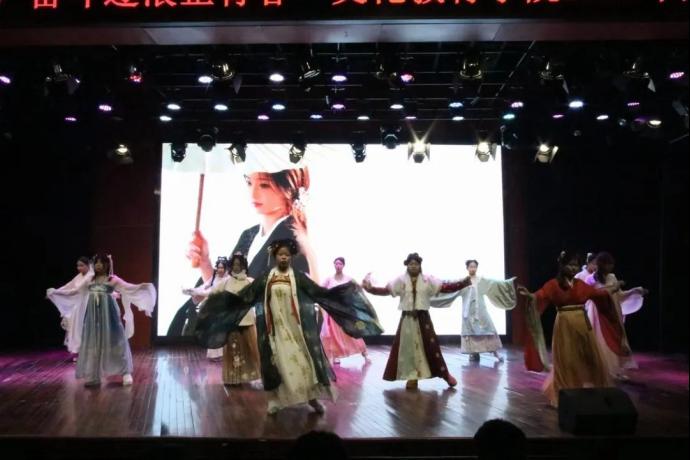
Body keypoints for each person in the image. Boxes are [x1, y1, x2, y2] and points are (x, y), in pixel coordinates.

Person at [195, 239, 382, 415]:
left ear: (291, 257)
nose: (283, 257)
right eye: (280, 254)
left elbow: (318, 293)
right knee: (277, 363)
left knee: (303, 362)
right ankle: (275, 400)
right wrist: (220, 303)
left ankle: (312, 398)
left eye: (286, 255)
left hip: (296, 329)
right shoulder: (267, 277)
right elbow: (247, 296)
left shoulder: (298, 277)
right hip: (274, 330)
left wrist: (345, 292)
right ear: (275, 257)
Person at [169, 148, 314, 336]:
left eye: (264, 185)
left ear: (288, 188)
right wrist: (205, 261)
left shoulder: (293, 241)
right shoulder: (250, 234)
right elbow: (224, 287)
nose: (253, 193)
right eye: (249, 182)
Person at [518, 251, 628, 407]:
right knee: (566, 359)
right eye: (570, 265)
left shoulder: (580, 284)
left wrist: (614, 288)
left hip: (582, 323)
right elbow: (540, 295)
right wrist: (530, 296)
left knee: (589, 356)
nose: (573, 268)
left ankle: (593, 391)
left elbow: (598, 293)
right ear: (562, 266)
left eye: (575, 265)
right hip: (564, 324)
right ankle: (562, 393)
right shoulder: (553, 285)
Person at [362, 253, 471, 390]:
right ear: (407, 265)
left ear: (420, 265)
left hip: (423, 318)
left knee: (431, 347)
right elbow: (386, 291)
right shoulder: (401, 280)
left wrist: (462, 283)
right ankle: (412, 377)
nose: (413, 266)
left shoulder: (427, 280)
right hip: (407, 319)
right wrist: (370, 289)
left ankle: (444, 374)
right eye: (411, 264)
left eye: (416, 264)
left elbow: (444, 287)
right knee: (408, 348)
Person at [49, 254, 157, 387]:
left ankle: (125, 372)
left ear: (107, 265)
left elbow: (128, 287)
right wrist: (56, 293)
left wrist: (142, 287)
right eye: (96, 262)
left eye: (101, 262)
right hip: (93, 316)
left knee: (117, 341)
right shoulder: (90, 280)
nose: (98, 265)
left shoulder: (112, 279)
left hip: (109, 314)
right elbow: (75, 292)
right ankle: (94, 375)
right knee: (94, 343)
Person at [585, 252, 647, 380]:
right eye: (608, 264)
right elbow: (591, 295)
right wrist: (612, 288)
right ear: (601, 265)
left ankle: (615, 370)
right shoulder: (591, 279)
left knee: (615, 338)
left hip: (612, 312)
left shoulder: (612, 277)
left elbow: (619, 295)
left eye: (611, 264)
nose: (611, 267)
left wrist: (634, 291)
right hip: (598, 313)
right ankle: (600, 370)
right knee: (600, 340)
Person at [457, 259, 518, 363]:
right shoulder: (463, 282)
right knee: (471, 332)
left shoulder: (481, 280)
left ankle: (496, 353)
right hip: (468, 311)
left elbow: (495, 283)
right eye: (471, 267)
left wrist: (508, 282)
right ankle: (473, 353)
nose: (473, 269)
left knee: (488, 329)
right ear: (467, 268)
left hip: (480, 309)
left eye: (474, 266)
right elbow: (451, 287)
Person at [215, 253, 261, 385]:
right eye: (234, 264)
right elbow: (213, 295)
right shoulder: (225, 282)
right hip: (231, 322)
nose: (236, 267)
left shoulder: (250, 281)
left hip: (247, 320)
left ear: (243, 266)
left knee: (250, 350)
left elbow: (259, 296)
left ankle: (250, 376)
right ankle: (233, 378)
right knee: (233, 350)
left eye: (239, 264)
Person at [320, 257, 370, 365]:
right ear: (334, 265)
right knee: (334, 334)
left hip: (345, 310)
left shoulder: (348, 279)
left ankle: (364, 352)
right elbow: (320, 290)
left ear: (343, 265)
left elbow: (357, 288)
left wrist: (365, 282)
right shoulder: (329, 279)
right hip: (333, 310)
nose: (338, 266)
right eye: (336, 263)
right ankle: (336, 355)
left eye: (340, 264)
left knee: (351, 332)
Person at [182, 257, 231, 360]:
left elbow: (211, 291)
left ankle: (224, 354)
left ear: (226, 268)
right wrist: (193, 290)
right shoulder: (214, 278)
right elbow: (204, 287)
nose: (220, 269)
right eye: (218, 267)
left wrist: (197, 292)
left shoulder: (228, 279)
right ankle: (214, 355)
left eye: (222, 267)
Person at [46, 256, 94, 359]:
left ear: (88, 266)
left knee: (84, 327)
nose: (79, 268)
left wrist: (56, 292)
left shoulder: (90, 276)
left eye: (81, 265)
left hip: (86, 303)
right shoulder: (79, 276)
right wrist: (55, 291)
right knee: (76, 328)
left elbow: (75, 290)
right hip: (78, 304)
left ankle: (87, 353)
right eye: (78, 266)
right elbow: (69, 285)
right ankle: (79, 352)